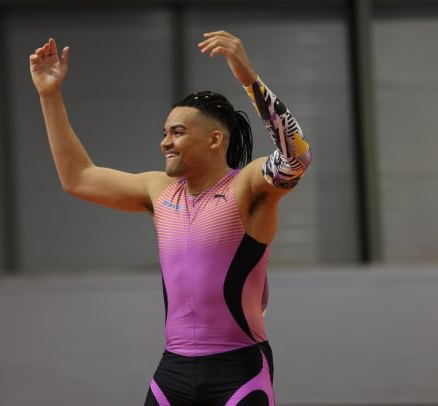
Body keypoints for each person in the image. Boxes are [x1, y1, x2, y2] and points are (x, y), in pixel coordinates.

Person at [30, 30, 311, 406]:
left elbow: (297, 158)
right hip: (173, 373)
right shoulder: (158, 191)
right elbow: (77, 177)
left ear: (214, 140)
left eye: (177, 133)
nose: (164, 142)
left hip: (239, 373)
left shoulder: (247, 187)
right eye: (164, 133)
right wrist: (49, 95)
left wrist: (249, 79)